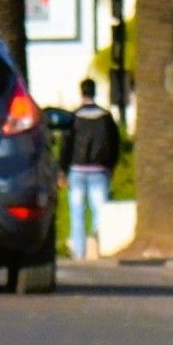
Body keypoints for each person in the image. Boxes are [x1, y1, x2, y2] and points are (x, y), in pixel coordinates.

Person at [61, 79, 121, 262]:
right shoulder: (106, 117)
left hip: (77, 170)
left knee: (77, 214)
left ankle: (80, 255)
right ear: (95, 92)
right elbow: (115, 144)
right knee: (100, 212)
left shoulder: (74, 117)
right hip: (99, 170)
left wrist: (62, 170)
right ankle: (97, 246)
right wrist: (111, 166)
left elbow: (66, 146)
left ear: (82, 93)